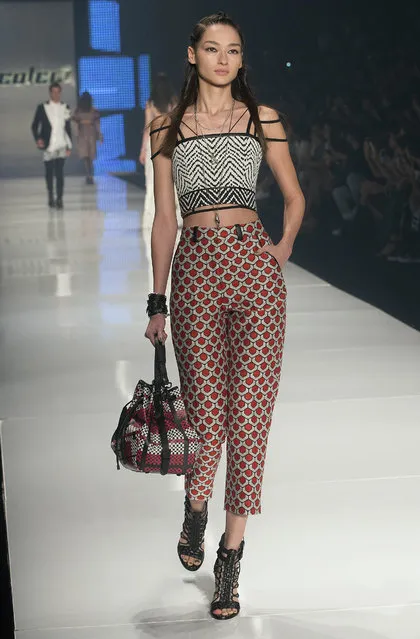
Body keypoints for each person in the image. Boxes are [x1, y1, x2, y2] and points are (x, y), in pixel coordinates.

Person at [144, 12, 305, 621]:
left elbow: (295, 196)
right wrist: (156, 299)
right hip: (195, 273)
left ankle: (230, 559)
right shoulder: (167, 128)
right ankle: (195, 508)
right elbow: (164, 221)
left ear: (241, 59)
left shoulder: (262, 121)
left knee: (250, 421)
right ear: (193, 55)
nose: (223, 59)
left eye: (233, 50)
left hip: (253, 270)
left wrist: (283, 245)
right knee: (206, 417)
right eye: (212, 49)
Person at [138, 73, 182, 228]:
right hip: (171, 141)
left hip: (154, 142)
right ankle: (174, 215)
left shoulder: (150, 104)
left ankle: (154, 214)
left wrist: (143, 150)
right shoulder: (173, 102)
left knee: (153, 178)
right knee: (172, 178)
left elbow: (147, 128)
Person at [31, 82, 72, 209]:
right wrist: (38, 139)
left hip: (61, 144)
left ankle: (59, 198)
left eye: (58, 92)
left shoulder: (65, 107)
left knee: (59, 173)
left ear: (60, 92)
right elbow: (34, 125)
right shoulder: (42, 107)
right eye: (53, 92)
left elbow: (68, 128)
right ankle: (50, 196)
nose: (56, 94)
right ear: (50, 93)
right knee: (49, 173)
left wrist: (69, 146)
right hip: (48, 146)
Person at [72, 92, 102, 184]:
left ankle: (90, 175)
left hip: (89, 134)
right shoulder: (78, 111)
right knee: (86, 155)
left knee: (89, 156)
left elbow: (97, 124)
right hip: (84, 134)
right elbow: (75, 122)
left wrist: (100, 135)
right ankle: (89, 174)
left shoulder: (94, 111)